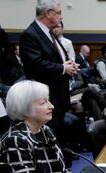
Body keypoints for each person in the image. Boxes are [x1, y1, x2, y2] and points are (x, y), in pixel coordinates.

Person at [0, 80, 74, 173]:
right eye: (43, 103)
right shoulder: (15, 141)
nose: (52, 106)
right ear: (24, 108)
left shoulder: (45, 130)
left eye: (49, 100)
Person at [20, 0, 79, 144]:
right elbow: (35, 64)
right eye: (59, 13)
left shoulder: (49, 33)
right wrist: (63, 68)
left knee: (59, 133)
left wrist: (69, 64)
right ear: (48, 13)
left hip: (59, 94)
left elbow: (57, 58)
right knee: (50, 136)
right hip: (45, 95)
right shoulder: (31, 34)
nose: (61, 17)